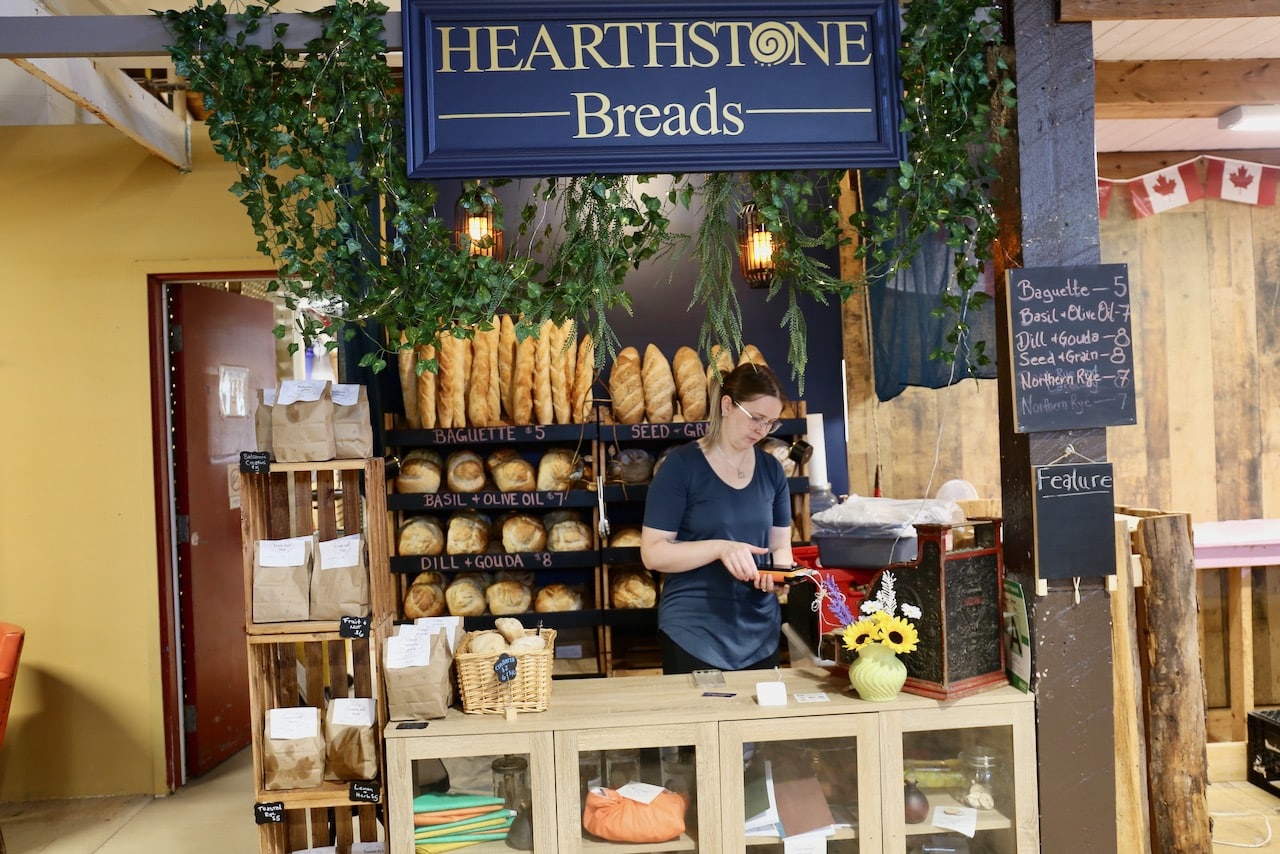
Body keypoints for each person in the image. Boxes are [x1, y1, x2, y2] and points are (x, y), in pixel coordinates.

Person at [640, 362, 795, 674]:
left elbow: (781, 546)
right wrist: (721, 548)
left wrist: (779, 577)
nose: (762, 430)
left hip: (760, 632)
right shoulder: (681, 467)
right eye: (756, 418)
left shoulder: (772, 471)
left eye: (771, 423)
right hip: (694, 634)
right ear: (727, 405)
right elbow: (653, 553)